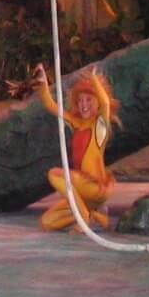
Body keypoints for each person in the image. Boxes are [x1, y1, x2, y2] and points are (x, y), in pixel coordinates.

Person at [33, 62, 117, 231]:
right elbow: (51, 106)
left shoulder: (99, 127)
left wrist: (94, 80)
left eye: (88, 100)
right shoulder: (76, 123)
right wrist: (43, 83)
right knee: (47, 223)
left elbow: (106, 104)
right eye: (80, 101)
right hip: (82, 192)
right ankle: (93, 215)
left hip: (95, 187)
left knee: (54, 174)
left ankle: (83, 215)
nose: (84, 105)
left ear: (97, 102)